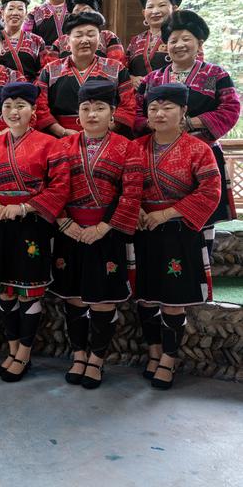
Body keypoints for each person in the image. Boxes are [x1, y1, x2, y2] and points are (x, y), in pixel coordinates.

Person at [50, 81, 143, 389]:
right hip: (70, 232)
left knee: (102, 300)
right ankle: (78, 355)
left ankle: (96, 359)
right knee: (74, 298)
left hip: (107, 232)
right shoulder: (62, 146)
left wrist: (103, 227)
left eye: (100, 108)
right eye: (86, 108)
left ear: (112, 113)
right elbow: (51, 187)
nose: (92, 114)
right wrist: (65, 223)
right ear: (77, 114)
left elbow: (132, 192)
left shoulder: (127, 147)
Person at [0, 82, 70, 382]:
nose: (14, 112)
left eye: (20, 105)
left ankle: (24, 355)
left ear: (33, 110)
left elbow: (60, 187)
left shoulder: (50, 144)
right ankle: (13, 348)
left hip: (32, 225)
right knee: (5, 292)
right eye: (8, 106)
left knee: (28, 293)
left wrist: (24, 207)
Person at [134, 83, 221, 391]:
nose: (159, 114)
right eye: (153, 108)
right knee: (145, 298)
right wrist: (136, 208)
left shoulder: (200, 149)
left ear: (184, 111)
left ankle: (169, 358)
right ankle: (154, 351)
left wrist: (166, 213)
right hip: (143, 231)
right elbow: (123, 185)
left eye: (168, 108)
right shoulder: (136, 147)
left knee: (173, 301)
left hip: (180, 232)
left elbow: (210, 191)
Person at [135, 10, 240, 247]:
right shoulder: (152, 79)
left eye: (186, 39)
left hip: (203, 153)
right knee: (155, 225)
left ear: (199, 43)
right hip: (158, 155)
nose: (179, 45)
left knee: (201, 220)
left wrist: (191, 123)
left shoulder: (214, 75)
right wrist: (157, 126)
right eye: (173, 40)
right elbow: (137, 113)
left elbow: (230, 110)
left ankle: (200, 262)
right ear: (166, 46)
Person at [35, 11, 135, 138]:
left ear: (99, 40)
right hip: (61, 138)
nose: (85, 40)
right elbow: (40, 107)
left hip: (107, 136)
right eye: (78, 35)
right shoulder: (50, 70)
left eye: (91, 35)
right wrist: (62, 132)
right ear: (67, 41)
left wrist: (103, 131)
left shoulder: (116, 69)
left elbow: (128, 106)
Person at [126, 0, 193, 88]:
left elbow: (196, 70)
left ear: (175, 9)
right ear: (144, 12)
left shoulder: (187, 37)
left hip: (173, 96)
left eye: (161, 5)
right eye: (150, 7)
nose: (155, 11)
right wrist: (131, 79)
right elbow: (123, 71)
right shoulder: (136, 41)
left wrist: (154, 82)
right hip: (138, 97)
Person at [55, 0, 125, 65]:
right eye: (77, 11)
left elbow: (117, 66)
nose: (81, 14)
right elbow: (51, 68)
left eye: (86, 10)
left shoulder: (108, 37)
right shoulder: (60, 41)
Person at [0, 0, 47, 81]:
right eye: (11, 9)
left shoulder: (36, 41)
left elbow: (43, 71)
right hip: (0, 87)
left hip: (28, 88)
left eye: (20, 9)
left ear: (26, 14)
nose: (15, 13)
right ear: (2, 13)